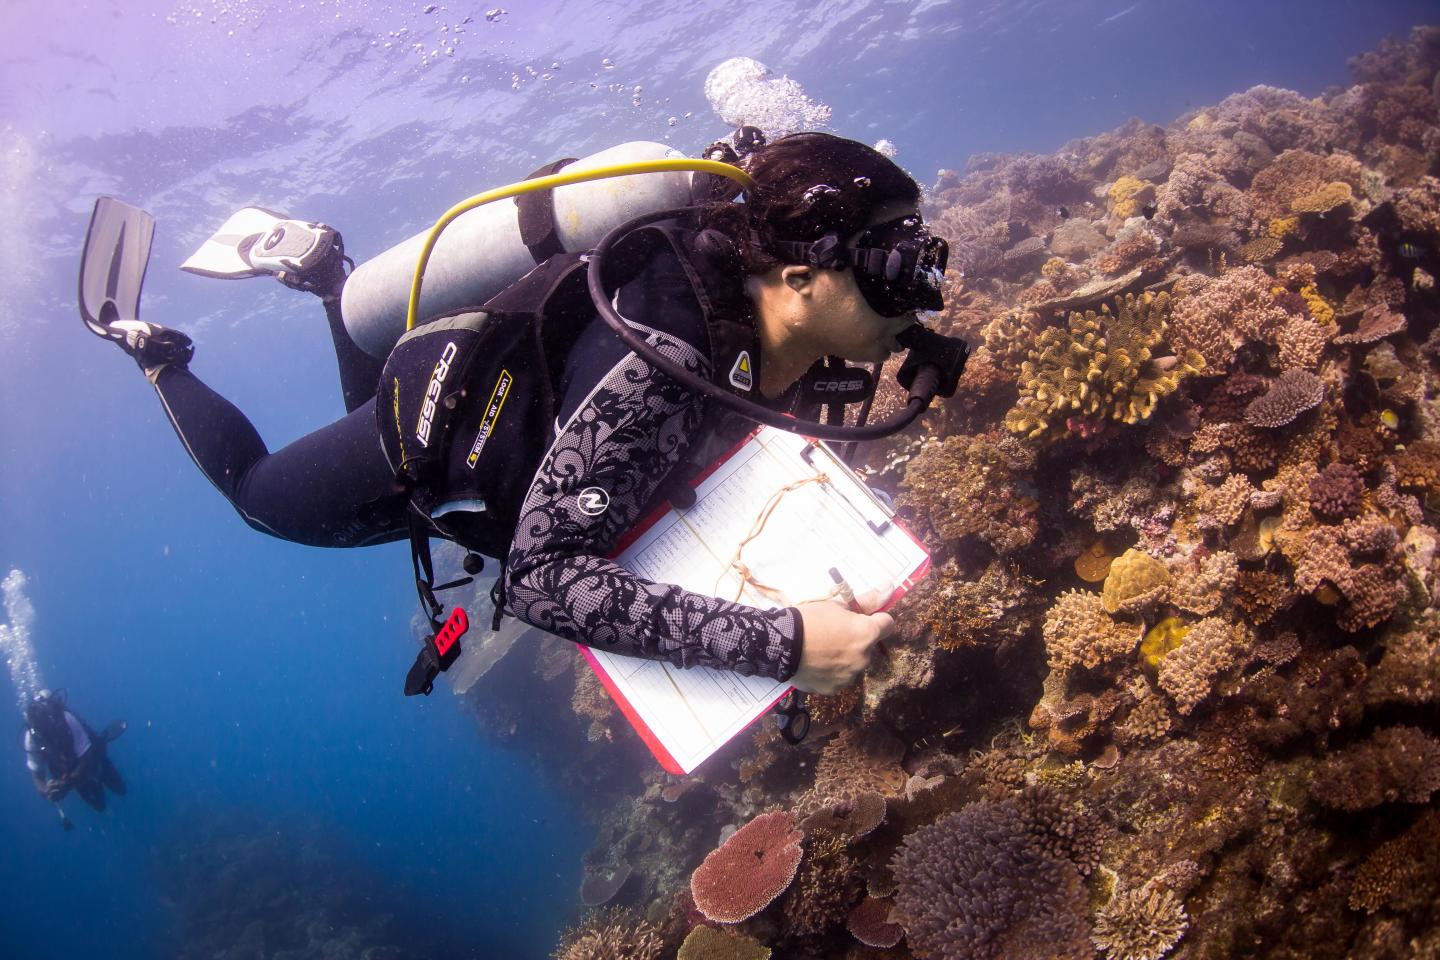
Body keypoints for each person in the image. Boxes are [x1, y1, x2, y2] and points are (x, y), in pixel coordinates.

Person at [85, 132, 954, 696]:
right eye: (896, 267)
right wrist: (784, 643)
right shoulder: (668, 363)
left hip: (505, 416)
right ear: (799, 277)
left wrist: (905, 336)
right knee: (260, 498)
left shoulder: (773, 313)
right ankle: (158, 355)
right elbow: (540, 581)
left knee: (360, 404)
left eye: (923, 264)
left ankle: (331, 283)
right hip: (438, 429)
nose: (922, 292)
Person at [23, 690, 127, 812]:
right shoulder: (31, 738)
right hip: (72, 775)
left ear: (49, 717)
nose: (46, 732)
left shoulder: (67, 720)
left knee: (121, 789)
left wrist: (66, 784)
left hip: (93, 762)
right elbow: (37, 775)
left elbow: (87, 759)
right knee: (99, 806)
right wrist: (47, 791)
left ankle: (101, 740)